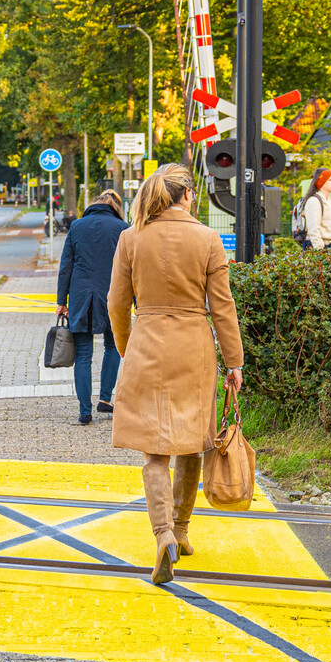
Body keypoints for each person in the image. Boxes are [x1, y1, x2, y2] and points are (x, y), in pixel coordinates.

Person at [106, 163, 244, 585]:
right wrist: (235, 363)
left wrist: (126, 345)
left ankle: (162, 533)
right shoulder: (207, 239)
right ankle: (181, 530)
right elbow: (222, 307)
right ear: (186, 195)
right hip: (193, 347)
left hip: (147, 340)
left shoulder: (130, 238)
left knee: (154, 451)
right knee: (190, 443)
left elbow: (116, 301)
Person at [56, 190, 128, 425]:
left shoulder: (77, 226)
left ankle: (84, 411)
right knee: (113, 347)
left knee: (84, 355)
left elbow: (66, 266)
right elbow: (131, 267)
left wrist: (61, 302)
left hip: (81, 297)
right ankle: (105, 399)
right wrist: (136, 301)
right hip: (113, 296)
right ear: (116, 207)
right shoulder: (122, 228)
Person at [302, 169, 331, 249]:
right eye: (329, 180)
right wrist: (319, 249)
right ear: (321, 182)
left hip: (328, 244)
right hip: (314, 245)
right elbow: (313, 229)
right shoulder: (314, 201)